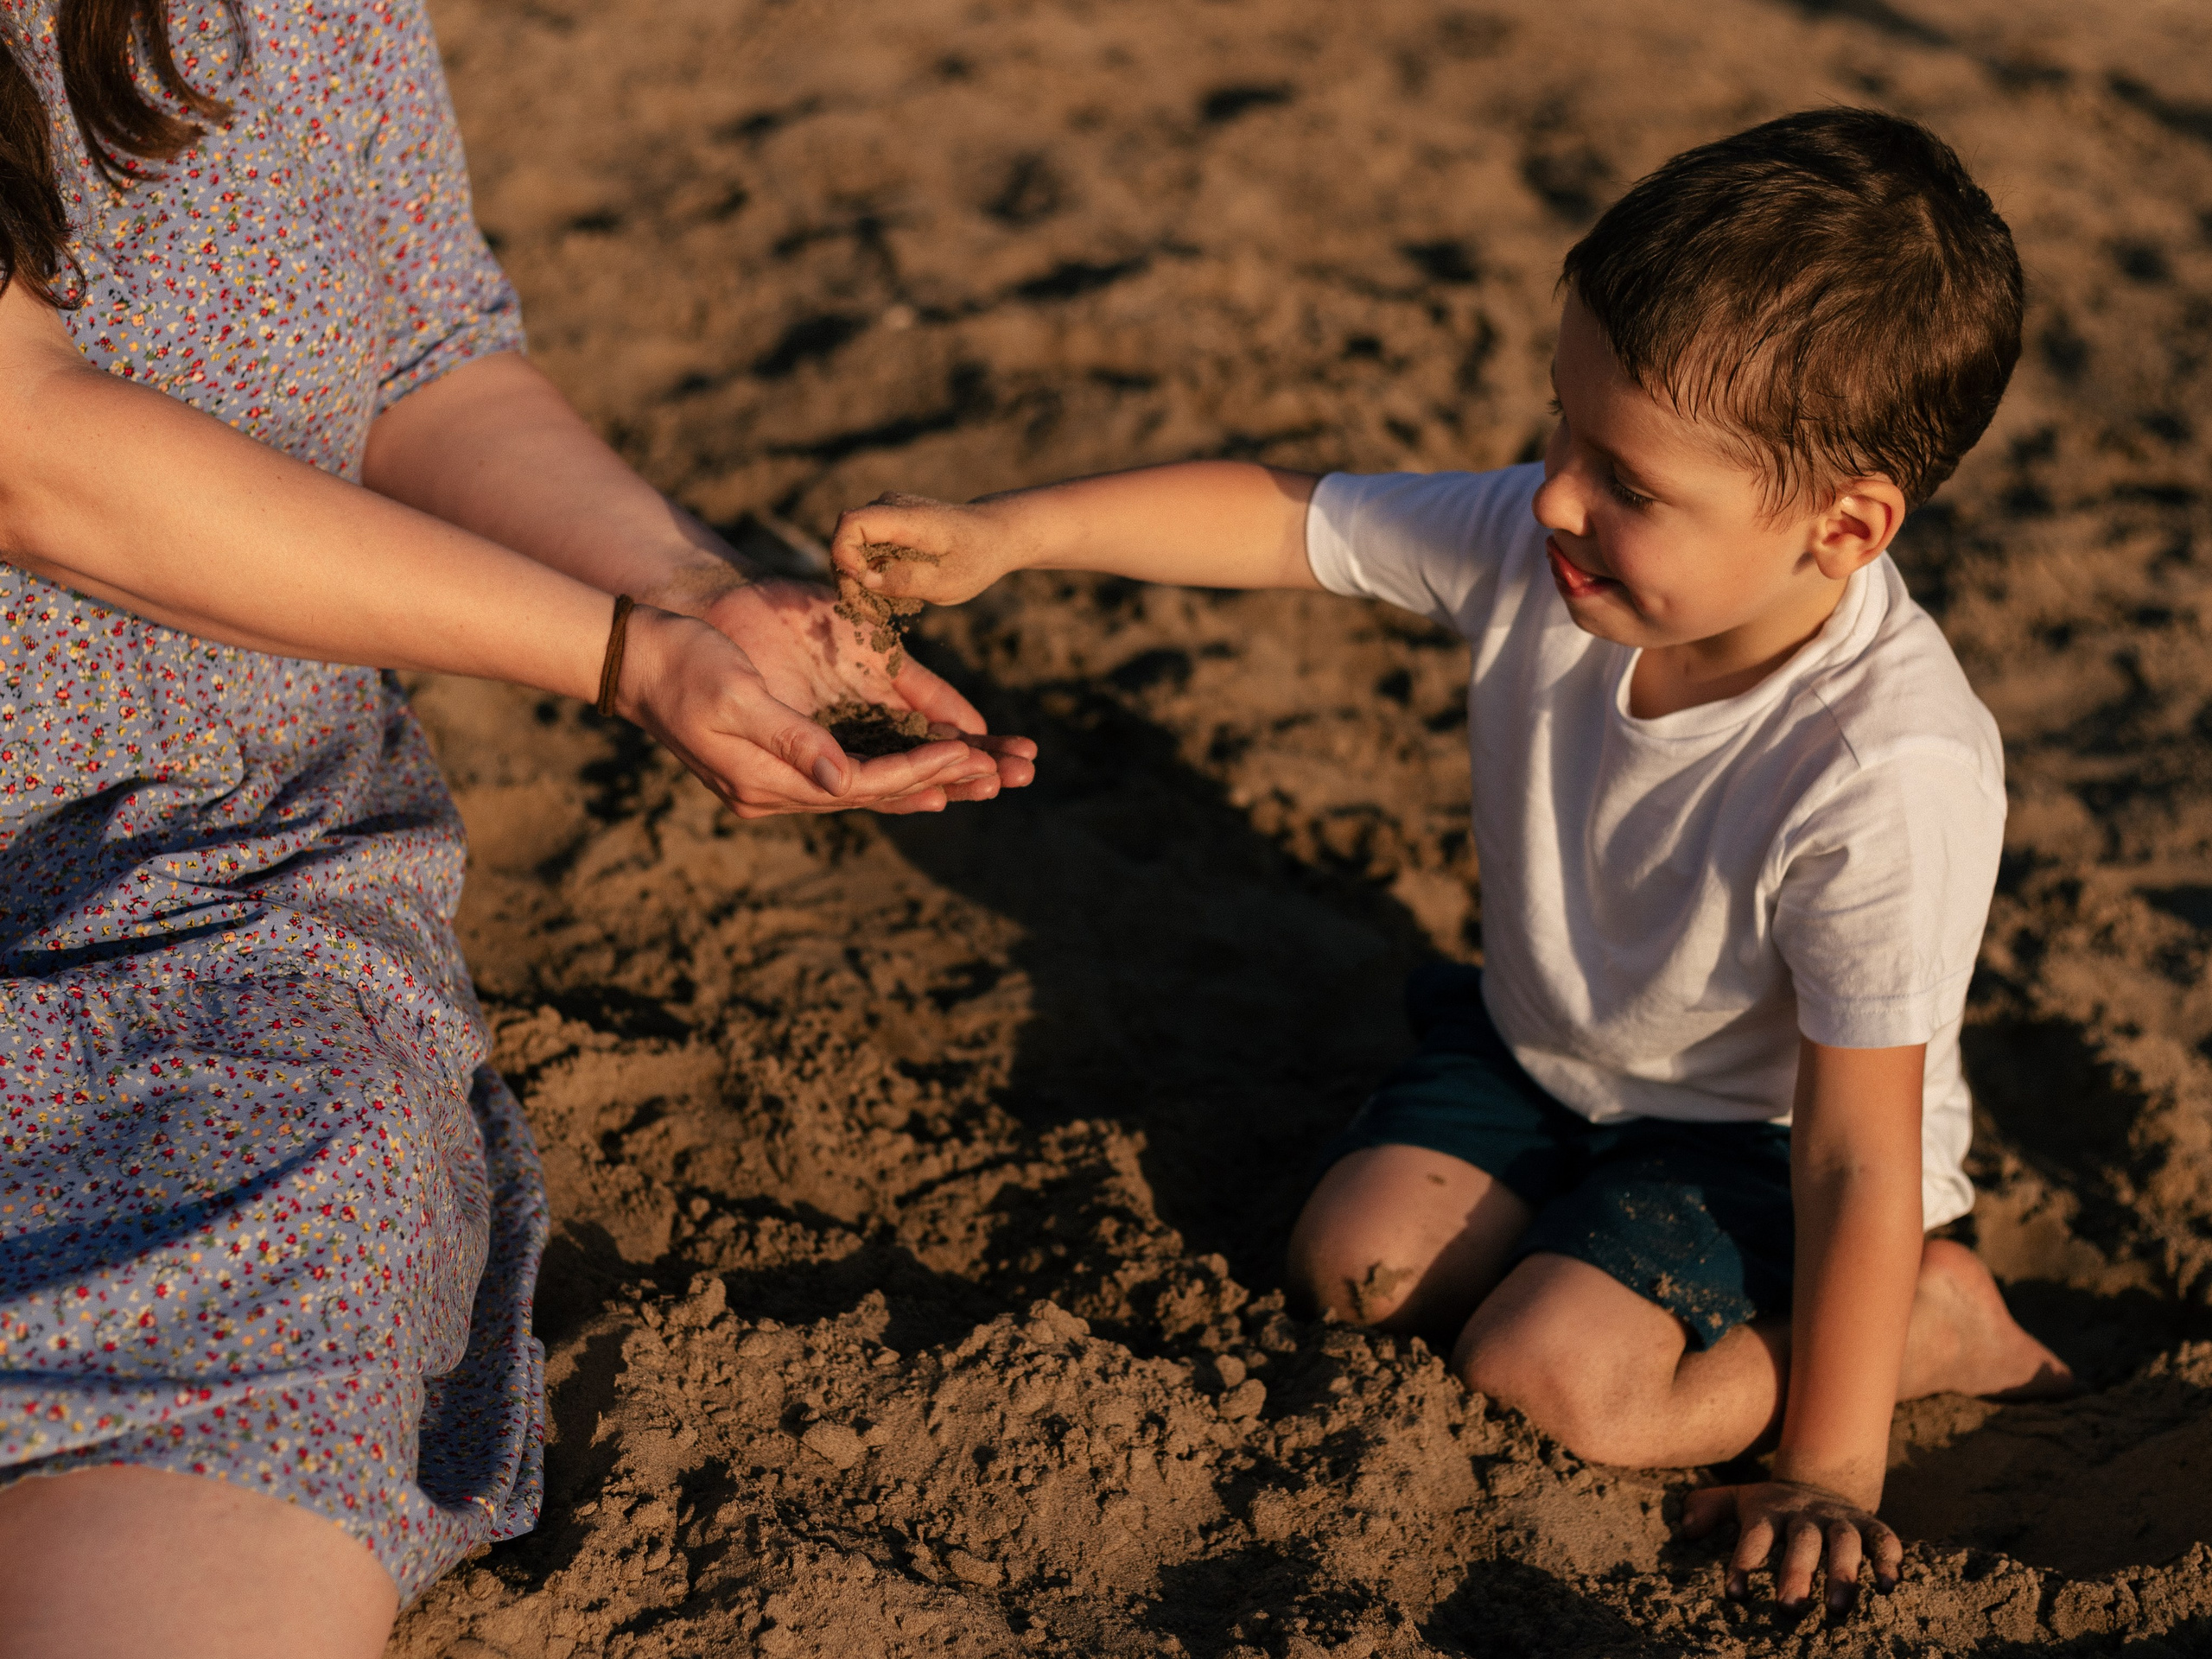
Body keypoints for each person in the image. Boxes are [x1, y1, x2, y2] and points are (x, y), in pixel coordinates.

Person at [831, 108, 2075, 1617]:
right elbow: (1291, 520)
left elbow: (1858, 1152)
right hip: (1542, 1045)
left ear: (1846, 525)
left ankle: (1929, 1332)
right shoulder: (1544, 547)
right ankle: (1597, 1232)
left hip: (1752, 1138)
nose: (1554, 492)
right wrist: (1009, 534)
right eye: (1562, 422)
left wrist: (1832, 1467)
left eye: (1628, 480)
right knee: (1351, 1267)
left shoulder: (1889, 768)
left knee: (1551, 1377)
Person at [0, 0, 1034, 1652]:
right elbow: (27, 452)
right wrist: (629, 660)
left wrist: (695, 598)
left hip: (230, 869)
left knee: (298, 1280)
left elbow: (429, 369)